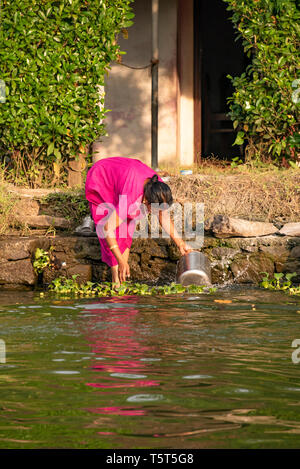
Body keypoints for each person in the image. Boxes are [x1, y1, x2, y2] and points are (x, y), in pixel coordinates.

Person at [85, 157, 191, 286]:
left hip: (124, 176)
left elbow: (163, 215)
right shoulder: (130, 197)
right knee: (112, 224)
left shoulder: (158, 187)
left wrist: (180, 243)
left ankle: (121, 280)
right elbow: (107, 228)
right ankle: (116, 281)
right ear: (146, 200)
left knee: (127, 224)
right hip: (102, 177)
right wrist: (121, 260)